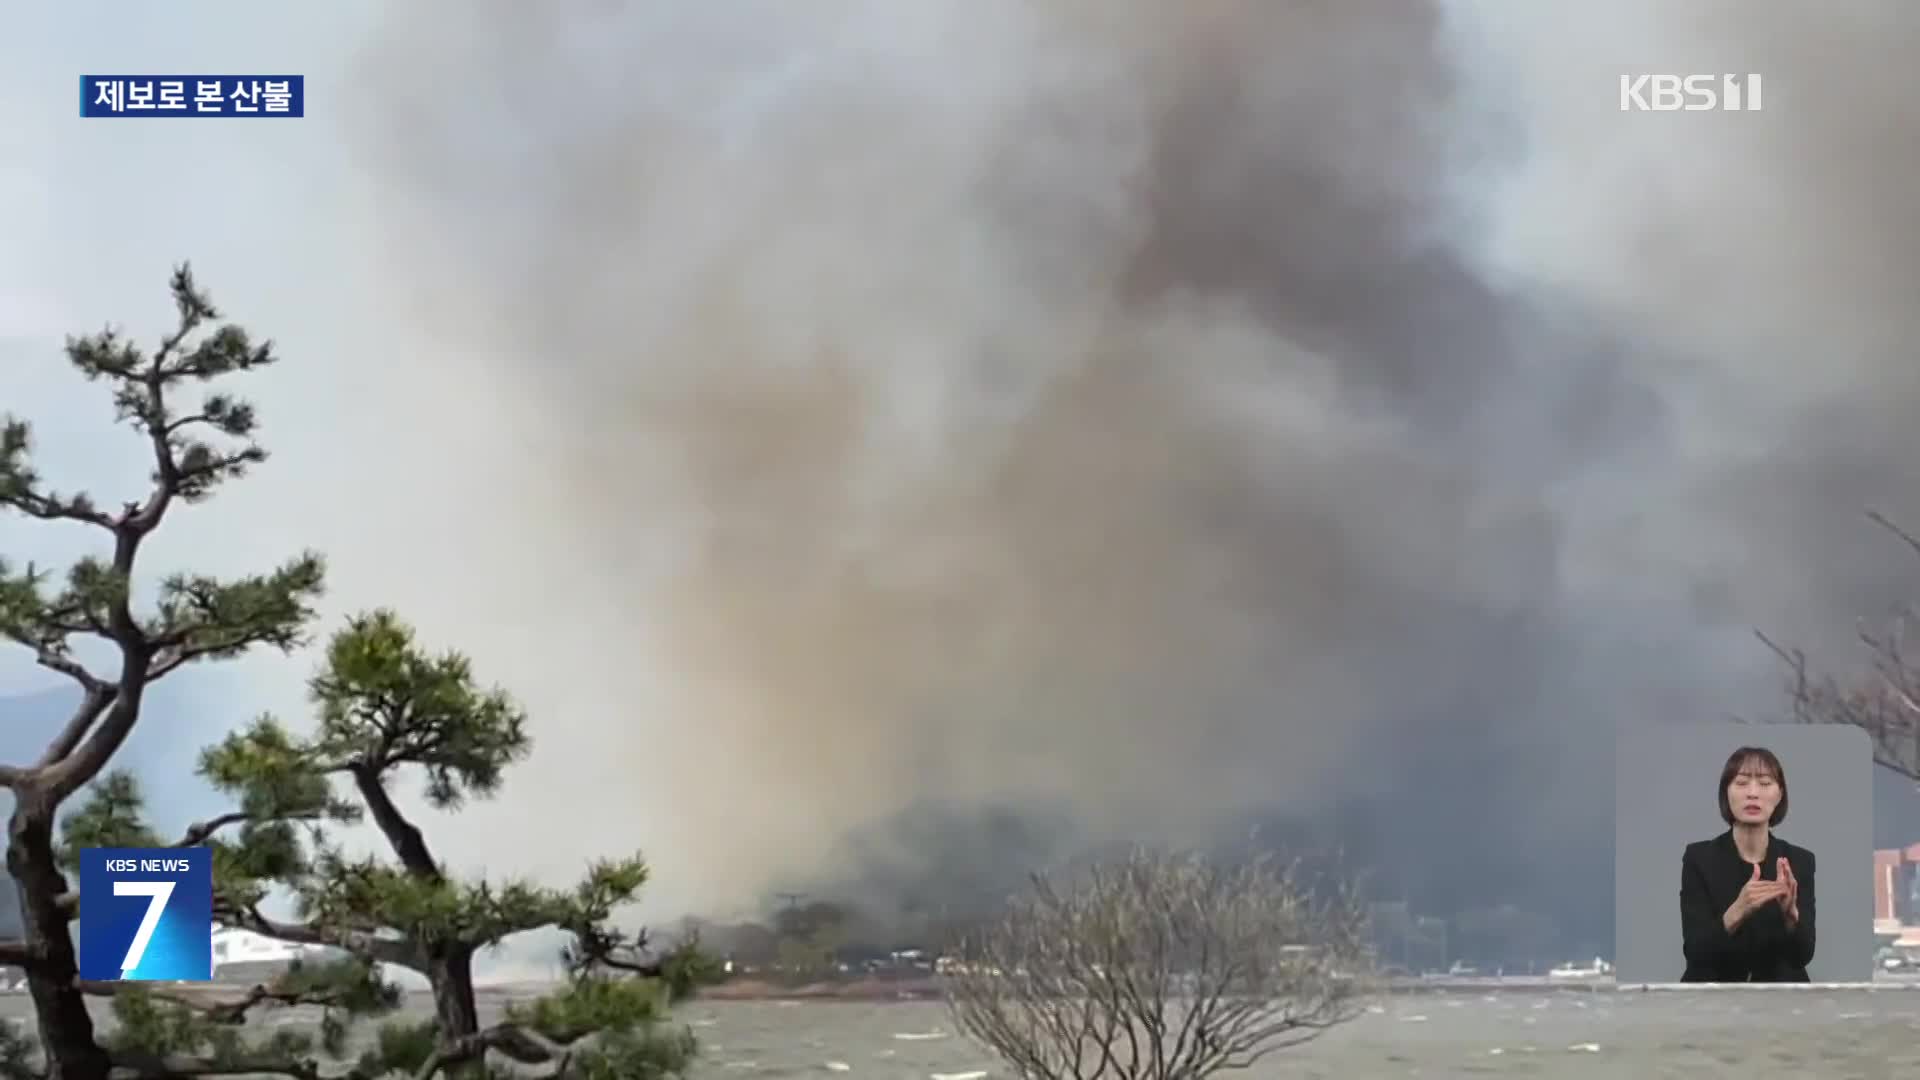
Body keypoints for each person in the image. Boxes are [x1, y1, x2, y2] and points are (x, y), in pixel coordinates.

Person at [1678, 745, 1816, 982]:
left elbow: (1802, 956)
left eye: (1764, 784)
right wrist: (1737, 910)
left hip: (1780, 1002)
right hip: (1714, 1001)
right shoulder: (1698, 858)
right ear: (1726, 793)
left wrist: (1791, 918)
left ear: (1780, 794)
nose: (1753, 793)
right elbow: (1695, 953)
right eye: (1741, 783)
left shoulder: (1799, 861)